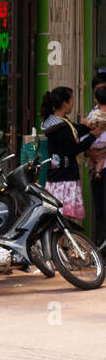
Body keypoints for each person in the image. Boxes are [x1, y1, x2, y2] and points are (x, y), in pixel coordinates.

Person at [41, 86, 103, 223]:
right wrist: (93, 136)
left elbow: (75, 130)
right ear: (64, 103)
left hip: (62, 175)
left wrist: (89, 127)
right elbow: (73, 149)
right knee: (62, 220)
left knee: (63, 220)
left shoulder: (61, 121)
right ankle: (61, 243)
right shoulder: (59, 126)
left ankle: (63, 243)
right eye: (71, 100)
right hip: (63, 178)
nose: (73, 103)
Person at [85, 84, 106, 245]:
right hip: (100, 157)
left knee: (101, 210)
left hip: (96, 151)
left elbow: (86, 131)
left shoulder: (94, 114)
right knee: (101, 209)